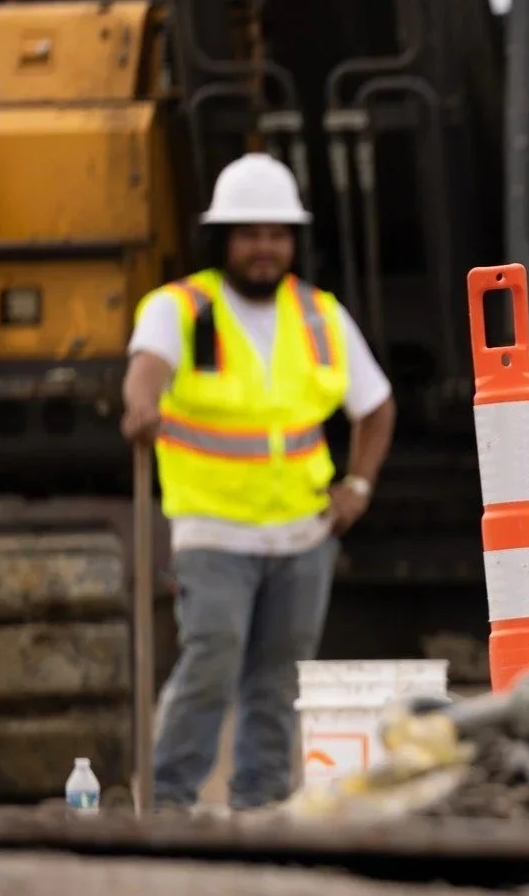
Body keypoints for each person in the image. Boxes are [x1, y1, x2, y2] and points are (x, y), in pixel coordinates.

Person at [121, 152, 396, 812]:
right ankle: (168, 801)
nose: (264, 248)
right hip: (213, 530)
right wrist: (140, 403)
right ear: (223, 239)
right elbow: (147, 367)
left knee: (275, 679)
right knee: (211, 662)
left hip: (302, 535)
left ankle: (263, 804)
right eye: (250, 234)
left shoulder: (320, 315)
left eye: (276, 234)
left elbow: (377, 406)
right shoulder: (179, 307)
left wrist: (357, 486)